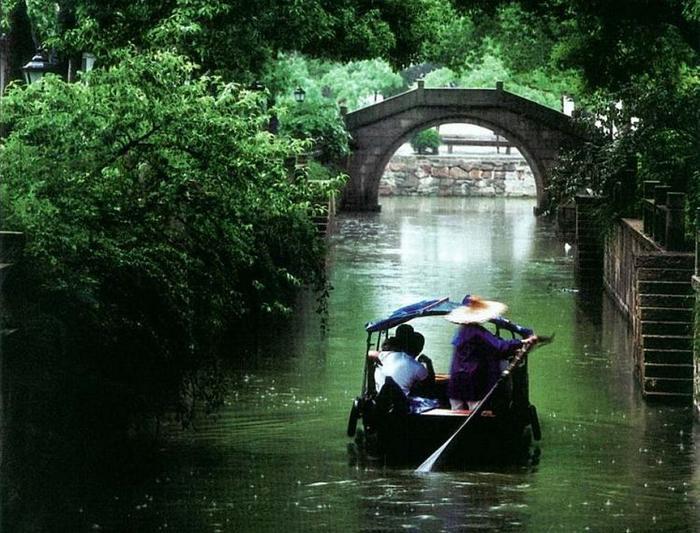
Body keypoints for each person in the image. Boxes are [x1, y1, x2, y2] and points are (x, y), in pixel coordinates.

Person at [446, 296, 537, 410]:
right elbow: (500, 346)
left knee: (456, 411)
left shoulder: (461, 331)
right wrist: (522, 342)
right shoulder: (477, 332)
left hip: (456, 380)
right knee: (475, 412)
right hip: (472, 381)